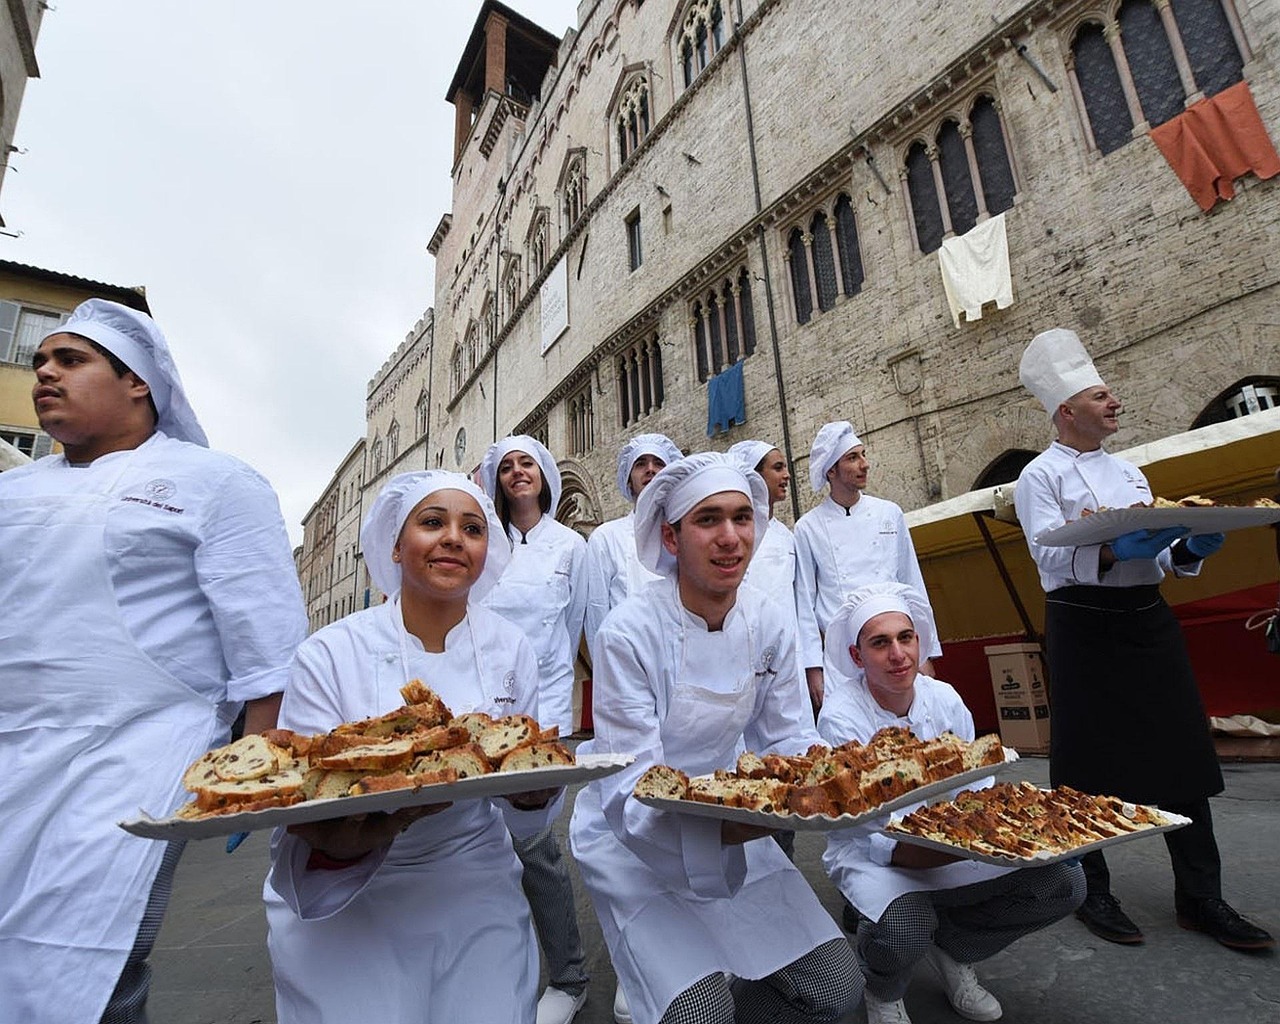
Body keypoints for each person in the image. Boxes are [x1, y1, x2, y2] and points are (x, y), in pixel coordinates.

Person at [0, 299, 307, 1024]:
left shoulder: (214, 482)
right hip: (13, 745)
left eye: (70, 360)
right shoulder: (12, 492)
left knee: (85, 962)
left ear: (137, 381)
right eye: (41, 358)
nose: (45, 371)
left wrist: (255, 770)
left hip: (133, 755)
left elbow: (268, 649)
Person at [570, 452, 864, 1024]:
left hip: (733, 815)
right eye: (708, 520)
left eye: (741, 517)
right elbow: (632, 785)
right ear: (672, 538)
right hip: (634, 838)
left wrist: (829, 788)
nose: (731, 537)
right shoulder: (627, 634)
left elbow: (789, 738)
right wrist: (753, 819)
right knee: (698, 1013)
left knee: (835, 989)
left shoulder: (770, 621)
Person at [264, 471, 565, 1024]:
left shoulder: (512, 647)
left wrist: (533, 797)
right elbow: (304, 798)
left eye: (472, 528)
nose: (454, 538)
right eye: (433, 523)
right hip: (355, 889)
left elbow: (524, 798)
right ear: (396, 547)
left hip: (474, 875)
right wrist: (353, 834)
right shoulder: (329, 652)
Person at [1014, 327, 1273, 950]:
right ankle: (1089, 888)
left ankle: (1201, 896)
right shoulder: (1037, 477)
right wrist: (1110, 549)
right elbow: (1048, 559)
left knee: (1180, 750)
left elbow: (1153, 559)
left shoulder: (1130, 472)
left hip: (1146, 616)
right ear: (1065, 410)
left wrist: (1186, 548)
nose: (1114, 404)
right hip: (1081, 618)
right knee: (1086, 760)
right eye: (1101, 396)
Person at [818, 583, 1085, 1024]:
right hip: (875, 851)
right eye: (880, 643)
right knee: (904, 923)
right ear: (856, 656)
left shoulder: (944, 698)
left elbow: (978, 783)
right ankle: (883, 990)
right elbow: (861, 822)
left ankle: (956, 949)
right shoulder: (842, 716)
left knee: (1062, 882)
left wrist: (987, 833)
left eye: (905, 638)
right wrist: (933, 846)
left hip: (956, 837)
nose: (898, 654)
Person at [478, 436, 591, 1024]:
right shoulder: (484, 544)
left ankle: (569, 976)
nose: (517, 473)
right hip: (480, 715)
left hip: (542, 716)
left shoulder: (571, 547)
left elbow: (576, 628)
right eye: (506, 467)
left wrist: (562, 719)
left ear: (544, 475)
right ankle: (497, 969)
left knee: (538, 849)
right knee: (477, 847)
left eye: (527, 464)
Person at [793, 421, 940, 714]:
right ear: (831, 471)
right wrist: (813, 667)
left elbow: (912, 582)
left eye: (863, 454)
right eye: (853, 458)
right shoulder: (807, 528)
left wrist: (925, 653)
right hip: (842, 659)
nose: (865, 464)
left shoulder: (889, 513)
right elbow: (804, 605)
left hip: (895, 647)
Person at [583, 432, 683, 657]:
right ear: (628, 478)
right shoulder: (607, 538)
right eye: (640, 464)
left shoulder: (686, 535)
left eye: (659, 463)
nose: (650, 469)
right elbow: (597, 613)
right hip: (627, 662)